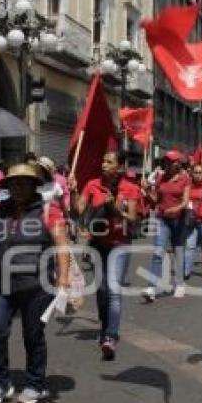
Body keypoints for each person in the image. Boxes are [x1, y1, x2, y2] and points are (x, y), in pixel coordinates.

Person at [0, 163, 70, 403]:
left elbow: (62, 246)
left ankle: (35, 383)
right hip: (3, 284)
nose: (18, 187)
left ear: (34, 185)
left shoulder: (47, 210)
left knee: (33, 335)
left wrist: (63, 282)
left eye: (24, 182)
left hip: (37, 285)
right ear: (7, 186)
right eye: (14, 183)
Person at [69, 151, 139, 360]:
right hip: (98, 243)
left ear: (119, 166)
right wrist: (73, 192)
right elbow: (77, 212)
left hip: (120, 244)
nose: (104, 164)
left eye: (109, 161)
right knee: (102, 290)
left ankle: (110, 336)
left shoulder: (130, 188)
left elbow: (133, 219)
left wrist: (113, 208)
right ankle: (106, 321)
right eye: (103, 160)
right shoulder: (92, 185)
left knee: (114, 291)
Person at [143, 150, 191, 301]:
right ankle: (151, 287)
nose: (168, 163)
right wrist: (146, 190)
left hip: (178, 220)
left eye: (171, 161)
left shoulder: (185, 179)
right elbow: (155, 200)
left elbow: (185, 202)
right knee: (158, 253)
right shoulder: (161, 178)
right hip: (162, 219)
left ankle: (180, 285)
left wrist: (175, 209)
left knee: (178, 252)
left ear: (178, 163)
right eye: (166, 161)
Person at [184, 163, 202, 279]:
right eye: (196, 172)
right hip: (191, 220)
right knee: (190, 246)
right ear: (192, 173)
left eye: (200, 172)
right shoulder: (187, 186)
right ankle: (186, 271)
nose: (198, 175)